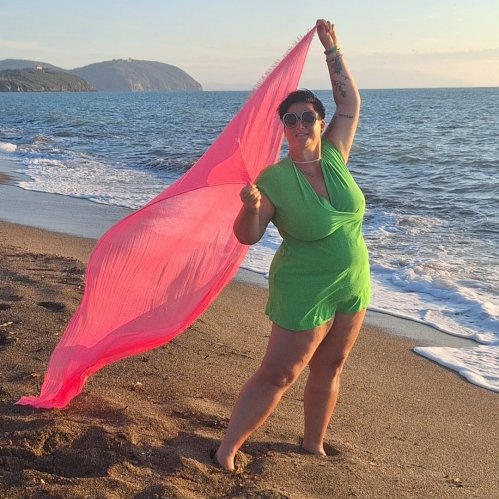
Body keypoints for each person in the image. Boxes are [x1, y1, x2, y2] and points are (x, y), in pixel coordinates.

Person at [214, 19, 370, 471]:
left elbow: (349, 102)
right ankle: (227, 449)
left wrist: (332, 49)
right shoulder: (274, 180)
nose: (299, 124)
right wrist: (249, 207)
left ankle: (313, 443)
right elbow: (248, 235)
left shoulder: (337, 154)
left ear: (321, 123)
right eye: (290, 119)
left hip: (352, 282)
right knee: (280, 373)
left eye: (307, 117)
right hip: (304, 287)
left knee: (332, 366)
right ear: (283, 128)